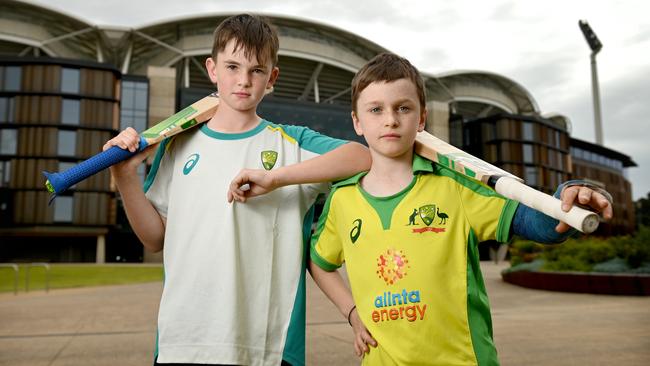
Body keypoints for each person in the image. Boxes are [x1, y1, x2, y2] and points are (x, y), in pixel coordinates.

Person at [303, 53, 613, 365]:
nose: (391, 119)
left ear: (421, 118)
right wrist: (353, 313)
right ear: (357, 121)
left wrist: (566, 199)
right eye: (375, 109)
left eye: (403, 108)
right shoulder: (343, 199)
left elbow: (538, 224)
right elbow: (320, 262)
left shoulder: (456, 186)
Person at [104, 14, 371, 366]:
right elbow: (155, 238)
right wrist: (125, 177)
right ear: (212, 69)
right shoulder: (176, 146)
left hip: (267, 349)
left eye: (257, 70)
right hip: (182, 343)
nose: (243, 80)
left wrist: (277, 178)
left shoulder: (292, 143)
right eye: (232, 66)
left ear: (272, 78)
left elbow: (362, 156)